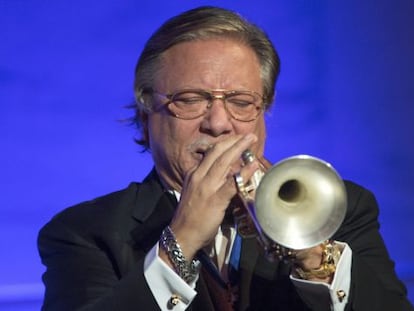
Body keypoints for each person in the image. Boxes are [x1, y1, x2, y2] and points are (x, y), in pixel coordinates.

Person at [37, 6, 413, 311]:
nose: (219, 123)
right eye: (189, 99)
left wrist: (316, 258)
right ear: (146, 115)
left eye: (240, 102)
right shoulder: (83, 232)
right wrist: (179, 243)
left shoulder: (340, 211)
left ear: (263, 113)